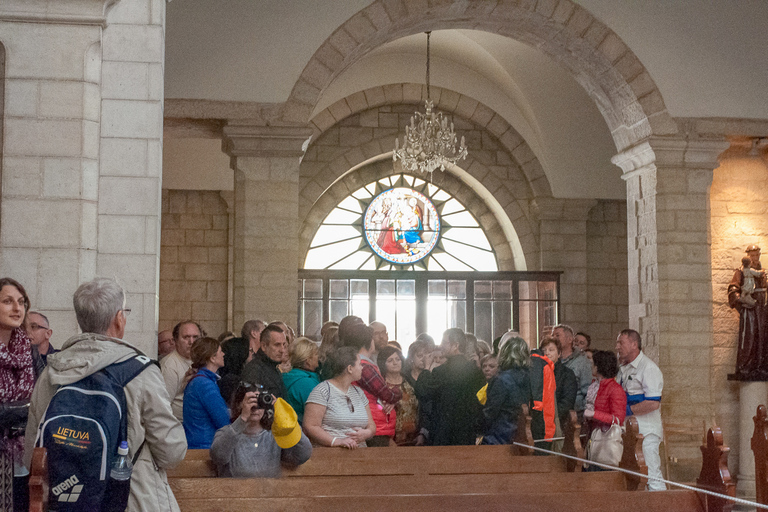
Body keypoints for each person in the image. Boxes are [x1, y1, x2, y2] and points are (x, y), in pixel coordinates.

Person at [24, 277, 186, 511]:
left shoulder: (52, 372)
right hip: (131, 500)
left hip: (65, 502)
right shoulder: (141, 372)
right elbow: (171, 452)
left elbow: (33, 451)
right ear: (119, 319)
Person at [211, 383, 311, 477]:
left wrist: (285, 418)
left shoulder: (275, 435)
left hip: (270, 492)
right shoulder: (226, 433)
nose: (255, 407)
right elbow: (218, 457)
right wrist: (242, 419)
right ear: (238, 404)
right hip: (234, 493)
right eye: (250, 402)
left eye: (260, 402)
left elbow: (302, 455)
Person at [415, 328, 485, 445]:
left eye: (444, 342)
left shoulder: (442, 371)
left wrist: (427, 367)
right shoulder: (475, 371)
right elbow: (482, 400)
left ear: (455, 346)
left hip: (444, 432)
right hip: (467, 431)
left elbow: (423, 391)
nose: (441, 346)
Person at [0, 278, 34, 512]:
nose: (17, 308)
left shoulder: (28, 349)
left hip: (23, 455)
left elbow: (42, 400)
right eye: (7, 301)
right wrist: (22, 411)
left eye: (21, 302)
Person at [616, 329, 665, 490]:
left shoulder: (648, 368)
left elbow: (653, 403)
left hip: (646, 431)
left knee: (651, 475)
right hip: (629, 431)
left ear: (634, 344)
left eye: (621, 343)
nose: (617, 347)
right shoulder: (624, 368)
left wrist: (627, 410)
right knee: (633, 476)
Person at [340, 323, 401, 447]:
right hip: (374, 424)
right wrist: (396, 391)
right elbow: (387, 394)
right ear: (368, 342)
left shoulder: (361, 363)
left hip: (374, 422)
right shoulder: (364, 366)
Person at [303, 347, 375, 448]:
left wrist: (367, 433)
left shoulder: (359, 392)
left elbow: (371, 425)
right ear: (350, 368)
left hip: (360, 455)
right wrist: (336, 441)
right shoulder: (322, 391)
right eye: (360, 364)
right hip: (331, 455)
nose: (362, 368)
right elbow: (310, 426)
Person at [481, 334, 532, 445]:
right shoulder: (528, 377)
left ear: (504, 354)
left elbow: (490, 412)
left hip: (497, 437)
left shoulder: (501, 380)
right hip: (519, 437)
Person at [183, 337, 230, 449]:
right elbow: (222, 419)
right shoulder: (205, 384)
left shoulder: (200, 380)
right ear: (212, 358)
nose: (223, 354)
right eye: (220, 351)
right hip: (205, 446)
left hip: (197, 442)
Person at [728, 244, 768, 377]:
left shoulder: (762, 272)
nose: (755, 258)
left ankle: (761, 365)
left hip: (762, 309)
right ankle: (746, 366)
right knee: (749, 336)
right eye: (752, 255)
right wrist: (741, 300)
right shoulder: (741, 271)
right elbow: (733, 289)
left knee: (762, 336)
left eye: (757, 255)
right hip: (750, 308)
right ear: (748, 257)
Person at [584, 349, 626, 469]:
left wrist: (594, 414)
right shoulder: (595, 385)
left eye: (593, 364)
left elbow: (618, 419)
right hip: (594, 437)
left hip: (606, 440)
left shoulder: (615, 389)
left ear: (598, 367)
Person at [162, 320, 203, 421]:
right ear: (175, 340)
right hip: (180, 426)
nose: (191, 342)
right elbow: (163, 405)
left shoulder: (201, 360)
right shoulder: (170, 365)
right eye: (186, 337)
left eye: (195, 337)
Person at [378, 346, 419, 445]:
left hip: (414, 437)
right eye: (390, 360)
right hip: (389, 438)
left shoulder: (409, 380)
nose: (395, 363)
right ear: (383, 363)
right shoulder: (380, 384)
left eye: (398, 359)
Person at [551, 324, 591, 420]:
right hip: (555, 411)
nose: (553, 338)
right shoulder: (551, 360)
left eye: (557, 335)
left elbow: (587, 390)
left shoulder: (582, 362)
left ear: (569, 339)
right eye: (552, 335)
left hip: (575, 413)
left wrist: (584, 414)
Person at [241, 324, 287, 399]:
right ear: (264, 346)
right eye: (277, 345)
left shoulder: (274, 368)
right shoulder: (254, 370)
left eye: (284, 345)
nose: (282, 350)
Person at [540, 336, 577, 428]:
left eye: (551, 350)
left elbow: (567, 401)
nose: (547, 353)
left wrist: (550, 415)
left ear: (559, 353)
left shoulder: (567, 374)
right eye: (544, 350)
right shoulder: (537, 373)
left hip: (559, 421)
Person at [282, 337, 321, 423]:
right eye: (316, 354)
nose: (319, 357)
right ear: (308, 360)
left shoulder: (289, 377)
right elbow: (318, 413)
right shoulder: (306, 384)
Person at [27, 311, 57, 379]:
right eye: (23, 327)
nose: (27, 331)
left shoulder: (60, 359)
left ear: (48, 334)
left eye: (33, 327)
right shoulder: (16, 362)